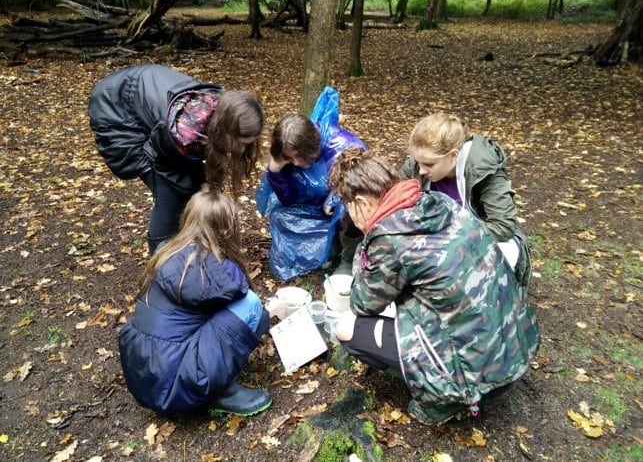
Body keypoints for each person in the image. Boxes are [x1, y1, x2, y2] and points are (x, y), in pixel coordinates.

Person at [329, 148, 540, 426]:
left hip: (477, 375)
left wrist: (362, 258)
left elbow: (362, 303)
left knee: (346, 327)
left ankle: (444, 399)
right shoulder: (438, 203)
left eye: (348, 207)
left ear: (360, 202)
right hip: (516, 347)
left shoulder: (389, 236)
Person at [118, 188, 272, 416]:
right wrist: (271, 310)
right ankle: (220, 392)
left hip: (144, 373)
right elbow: (245, 304)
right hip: (177, 383)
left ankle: (208, 378)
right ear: (228, 228)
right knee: (252, 306)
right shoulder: (219, 270)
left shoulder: (166, 251)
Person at [88, 63, 264, 254]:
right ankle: (161, 260)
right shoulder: (186, 132)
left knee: (191, 185)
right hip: (117, 104)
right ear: (224, 131)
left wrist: (201, 184)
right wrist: (197, 185)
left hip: (149, 93)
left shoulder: (228, 113)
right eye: (241, 143)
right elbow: (162, 161)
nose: (243, 148)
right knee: (168, 192)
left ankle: (189, 240)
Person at [398, 112, 531, 295]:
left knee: (496, 259)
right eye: (418, 162)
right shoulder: (418, 164)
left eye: (429, 164)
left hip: (480, 239)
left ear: (453, 155)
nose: (421, 170)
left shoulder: (483, 169)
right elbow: (396, 204)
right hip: (434, 238)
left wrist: (450, 239)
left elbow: (503, 225)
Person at [255, 87, 366, 281]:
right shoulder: (288, 159)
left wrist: (335, 196)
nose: (296, 163)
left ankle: (346, 258)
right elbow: (288, 200)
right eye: (290, 158)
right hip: (311, 206)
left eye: (299, 156)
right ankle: (321, 252)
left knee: (349, 208)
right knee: (282, 216)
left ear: (311, 146)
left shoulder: (342, 145)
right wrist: (276, 171)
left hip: (338, 208)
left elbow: (362, 180)